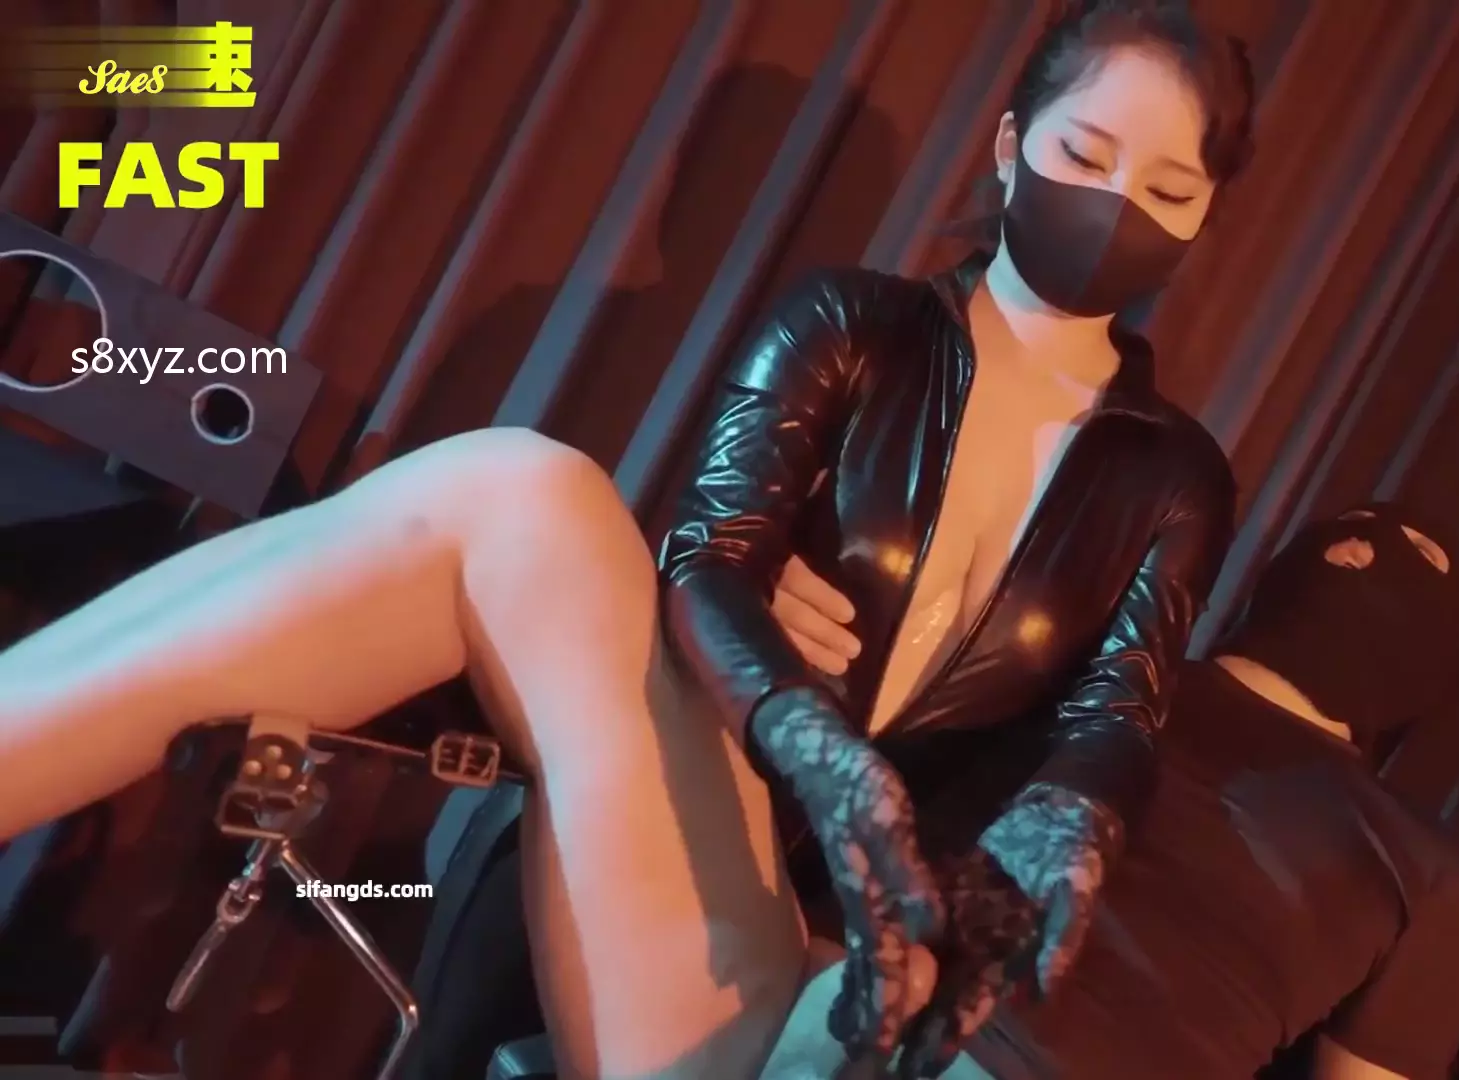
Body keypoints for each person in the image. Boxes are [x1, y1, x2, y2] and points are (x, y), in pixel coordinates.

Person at [0, 3, 1252, 1078]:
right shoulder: (854, 324)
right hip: (684, 802)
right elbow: (708, 560)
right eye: (1085, 153)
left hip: (841, 944)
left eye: (1166, 190)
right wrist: (801, 729)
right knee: (531, 492)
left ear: (1203, 219)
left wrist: (1063, 831)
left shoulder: (1173, 478)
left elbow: (1118, 715)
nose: (1114, 206)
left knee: (524, 497)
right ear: (1010, 147)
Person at [769, 503, 1459, 1078]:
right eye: (1358, 535)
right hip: (844, 986)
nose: (1359, 552)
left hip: (838, 992)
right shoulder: (1090, 664)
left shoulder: (1425, 870)